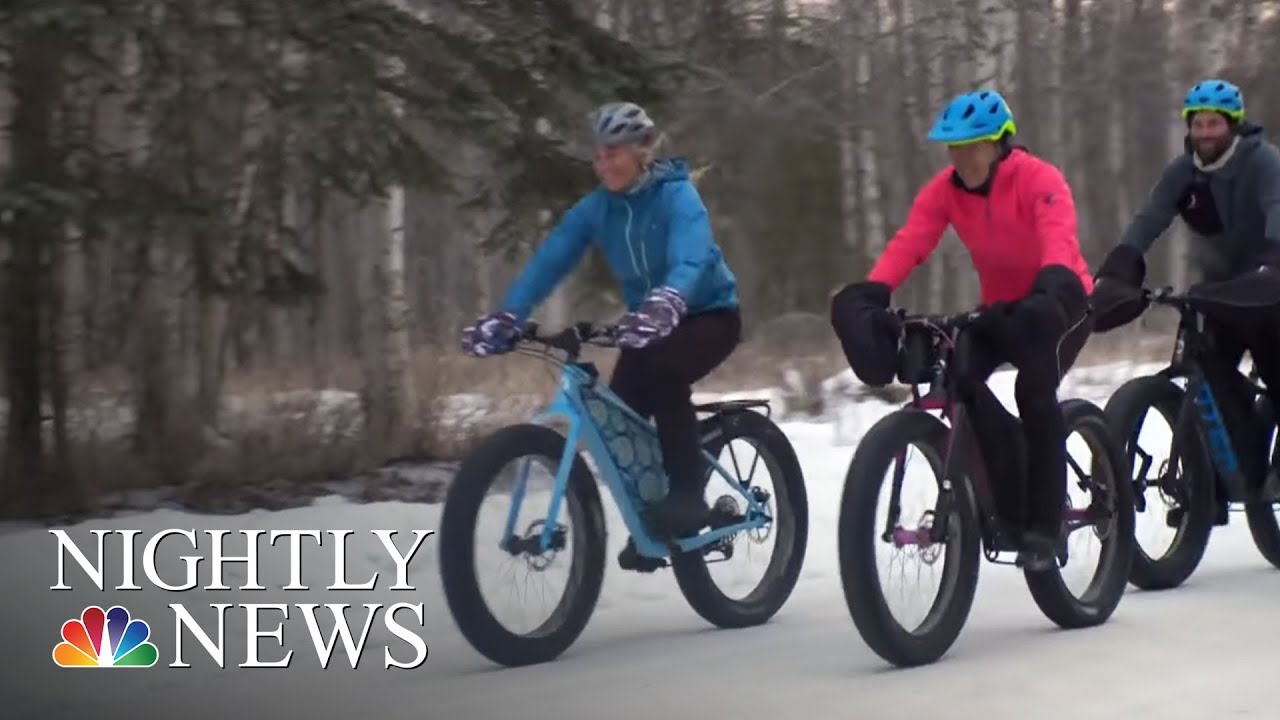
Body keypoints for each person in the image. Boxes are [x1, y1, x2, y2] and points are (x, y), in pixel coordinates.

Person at [460, 101, 743, 570]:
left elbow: (690, 257)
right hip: (648, 323)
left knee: (666, 371)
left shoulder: (677, 197)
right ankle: (655, 522)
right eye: (598, 156)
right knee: (622, 418)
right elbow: (550, 260)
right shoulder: (596, 210)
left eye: (614, 153)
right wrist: (510, 315)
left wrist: (672, 297)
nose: (605, 163)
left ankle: (688, 497)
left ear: (642, 150)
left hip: (706, 314)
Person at [830, 89, 1095, 571]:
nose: (962, 158)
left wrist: (1050, 289)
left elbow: (1058, 236)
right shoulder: (943, 190)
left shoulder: (1038, 178)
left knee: (1033, 388)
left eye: (972, 147)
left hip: (1061, 300)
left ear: (999, 144)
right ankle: (1009, 472)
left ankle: (1045, 524)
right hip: (998, 309)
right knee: (960, 377)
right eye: (954, 149)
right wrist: (872, 291)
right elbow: (911, 242)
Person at [1090, 78, 1280, 510]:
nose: (1205, 133)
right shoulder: (1184, 172)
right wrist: (1120, 266)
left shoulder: (1264, 161)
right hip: (1218, 293)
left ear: (1232, 125)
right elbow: (1150, 217)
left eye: (1214, 124)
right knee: (1208, 371)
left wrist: (1275, 260)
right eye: (1198, 125)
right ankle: (1214, 478)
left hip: (1269, 288)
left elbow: (1277, 208)